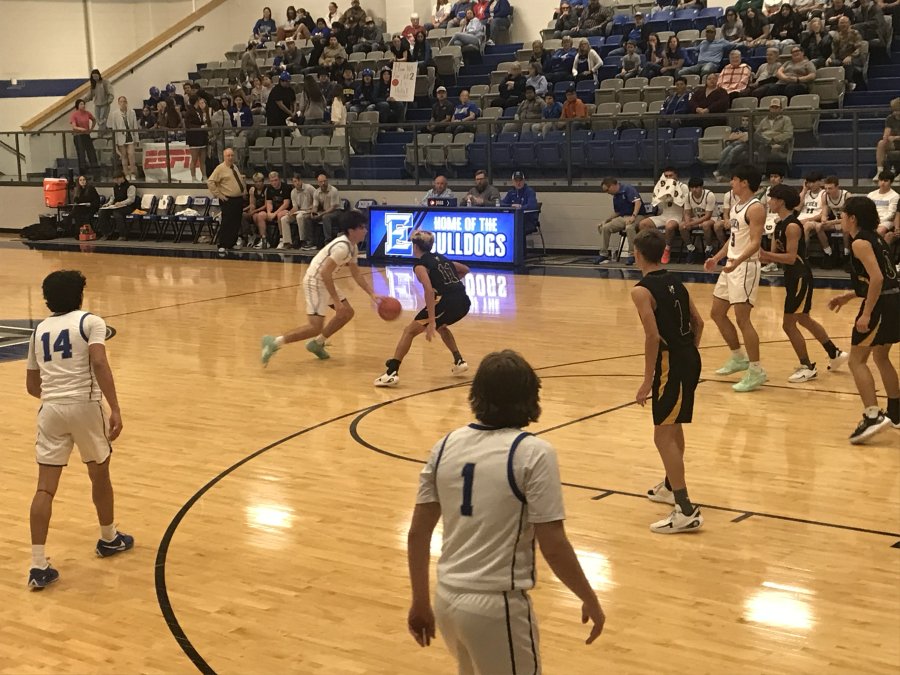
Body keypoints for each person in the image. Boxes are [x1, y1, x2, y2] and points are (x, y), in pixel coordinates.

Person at [405, 349, 606, 672]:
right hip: (496, 606)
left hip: (445, 599)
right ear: (531, 396)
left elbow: (418, 533)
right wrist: (589, 597)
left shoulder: (444, 445)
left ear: (476, 395)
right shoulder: (533, 453)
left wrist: (419, 600)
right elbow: (553, 544)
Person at [24, 270, 132, 589]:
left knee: (45, 487)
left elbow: (32, 386)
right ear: (80, 295)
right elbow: (99, 363)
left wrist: (57, 399)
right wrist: (115, 407)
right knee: (99, 474)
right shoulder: (90, 322)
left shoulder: (39, 330)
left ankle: (37, 564)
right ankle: (109, 538)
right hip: (85, 405)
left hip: (50, 409)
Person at [630, 229, 705, 533]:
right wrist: (689, 352)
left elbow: (651, 336)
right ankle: (670, 486)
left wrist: (648, 380)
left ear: (637, 254)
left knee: (662, 436)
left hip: (670, 363)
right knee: (673, 429)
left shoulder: (641, 290)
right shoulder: (678, 281)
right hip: (689, 357)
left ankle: (685, 509)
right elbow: (698, 322)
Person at [261, 210, 384, 365]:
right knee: (314, 327)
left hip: (324, 281)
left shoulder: (352, 247)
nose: (365, 231)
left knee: (347, 313)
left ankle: (317, 343)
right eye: (362, 228)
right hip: (315, 282)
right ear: (351, 230)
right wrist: (336, 301)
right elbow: (325, 273)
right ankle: (273, 342)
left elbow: (356, 274)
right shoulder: (342, 248)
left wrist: (372, 294)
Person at [757, 183, 848, 384]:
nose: (768, 201)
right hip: (791, 276)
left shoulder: (791, 226)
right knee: (804, 319)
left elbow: (790, 258)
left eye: (771, 198)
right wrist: (753, 255)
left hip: (799, 276)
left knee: (789, 324)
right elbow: (774, 256)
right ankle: (834, 353)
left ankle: (807, 366)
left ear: (780, 201)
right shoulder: (778, 224)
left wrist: (764, 254)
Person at [827, 196, 900, 442]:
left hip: (880, 304)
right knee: (881, 355)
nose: (841, 219)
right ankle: (896, 413)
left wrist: (867, 312)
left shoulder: (860, 242)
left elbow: (877, 279)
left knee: (856, 360)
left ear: (853, 218)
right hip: (894, 300)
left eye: (843, 214)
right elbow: (879, 278)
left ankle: (872, 416)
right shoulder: (877, 237)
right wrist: (849, 295)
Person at [374, 230, 471, 387]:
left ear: (415, 247)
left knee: (409, 331)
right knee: (442, 327)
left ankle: (392, 372)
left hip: (446, 301)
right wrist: (450, 284)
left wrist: (431, 320)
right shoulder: (442, 259)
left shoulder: (421, 265)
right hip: (464, 301)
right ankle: (459, 360)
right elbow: (465, 269)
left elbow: (428, 290)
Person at [703, 164, 767, 392]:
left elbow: (755, 243)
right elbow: (734, 239)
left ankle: (757, 369)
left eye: (734, 179)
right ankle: (738, 356)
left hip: (746, 267)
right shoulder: (739, 205)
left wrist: (737, 261)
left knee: (743, 320)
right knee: (717, 313)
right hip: (731, 265)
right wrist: (718, 258)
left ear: (745, 182)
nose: (731, 183)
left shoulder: (756, 208)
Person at [639, 167, 689, 264]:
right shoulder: (662, 186)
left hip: (677, 215)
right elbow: (656, 200)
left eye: (671, 176)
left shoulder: (683, 187)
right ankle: (650, 249)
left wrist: (676, 199)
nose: (668, 178)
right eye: (666, 176)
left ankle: (667, 249)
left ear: (676, 176)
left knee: (669, 226)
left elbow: (687, 205)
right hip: (664, 215)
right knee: (643, 224)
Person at [207, 148, 247, 253]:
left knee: (236, 222)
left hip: (238, 199)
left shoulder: (235, 167)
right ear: (224, 157)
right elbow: (210, 182)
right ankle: (223, 244)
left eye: (232, 155)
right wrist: (218, 195)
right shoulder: (220, 168)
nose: (230, 158)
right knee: (227, 222)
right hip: (228, 199)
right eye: (228, 156)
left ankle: (232, 242)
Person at [597, 177, 645, 264]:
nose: (607, 193)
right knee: (605, 227)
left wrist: (633, 216)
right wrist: (606, 220)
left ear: (612, 186)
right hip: (623, 217)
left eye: (607, 190)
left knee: (629, 227)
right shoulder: (615, 196)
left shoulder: (627, 188)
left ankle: (632, 255)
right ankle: (603, 254)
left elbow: (637, 202)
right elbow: (617, 212)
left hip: (638, 215)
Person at [817, 175, 852, 264]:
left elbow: (848, 217)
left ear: (837, 187)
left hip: (848, 223)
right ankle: (828, 253)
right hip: (836, 222)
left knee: (845, 228)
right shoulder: (825, 196)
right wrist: (824, 220)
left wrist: (830, 222)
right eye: (826, 188)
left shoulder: (847, 196)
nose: (827, 191)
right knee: (819, 227)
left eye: (830, 188)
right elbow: (824, 212)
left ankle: (847, 254)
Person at [252, 172, 292, 249]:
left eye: (276, 180)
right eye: (272, 181)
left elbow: (286, 204)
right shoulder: (269, 189)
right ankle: (264, 239)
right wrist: (269, 212)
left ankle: (282, 239)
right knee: (261, 215)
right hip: (273, 212)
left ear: (279, 179)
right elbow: (269, 203)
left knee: (280, 214)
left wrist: (275, 213)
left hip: (285, 211)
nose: (274, 182)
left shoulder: (286, 188)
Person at [278, 174, 317, 249]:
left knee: (299, 217)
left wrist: (314, 208)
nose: (297, 183)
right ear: (292, 182)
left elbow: (317, 198)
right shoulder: (293, 192)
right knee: (284, 218)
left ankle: (303, 240)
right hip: (300, 211)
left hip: (309, 211)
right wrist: (291, 212)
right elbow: (295, 207)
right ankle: (287, 242)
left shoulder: (309, 188)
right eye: (295, 181)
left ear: (301, 180)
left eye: (299, 180)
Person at [683, 177, 719, 260]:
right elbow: (687, 213)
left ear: (701, 187)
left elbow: (707, 216)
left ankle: (709, 248)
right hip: (698, 218)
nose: (694, 190)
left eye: (696, 187)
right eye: (692, 188)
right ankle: (691, 248)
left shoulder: (709, 195)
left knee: (705, 225)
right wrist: (688, 223)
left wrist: (692, 223)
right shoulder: (687, 196)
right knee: (682, 226)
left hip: (713, 218)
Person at [826, 16, 865, 91]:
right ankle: (841, 85)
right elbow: (835, 51)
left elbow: (858, 48)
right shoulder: (837, 36)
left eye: (845, 23)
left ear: (849, 23)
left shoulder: (855, 33)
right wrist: (830, 57)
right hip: (840, 59)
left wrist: (850, 56)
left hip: (855, 58)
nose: (843, 25)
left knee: (848, 63)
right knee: (830, 63)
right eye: (841, 23)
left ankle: (850, 82)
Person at [97, 172, 136, 240]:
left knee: (117, 213)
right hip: (116, 206)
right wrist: (108, 204)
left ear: (122, 178)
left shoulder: (130, 187)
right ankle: (106, 233)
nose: (116, 181)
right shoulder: (115, 187)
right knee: (101, 212)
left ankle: (123, 234)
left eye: (117, 179)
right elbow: (113, 198)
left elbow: (131, 199)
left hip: (128, 207)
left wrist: (121, 203)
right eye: (115, 179)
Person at [107, 96, 138, 180]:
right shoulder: (115, 114)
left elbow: (135, 125)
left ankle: (133, 173)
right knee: (123, 157)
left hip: (130, 137)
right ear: (118, 103)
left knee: (131, 155)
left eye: (124, 101)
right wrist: (115, 142)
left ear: (126, 102)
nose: (123, 103)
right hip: (120, 138)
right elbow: (114, 128)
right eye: (121, 101)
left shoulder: (132, 112)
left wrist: (136, 139)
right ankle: (126, 173)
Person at [755, 98, 794, 163]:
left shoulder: (786, 119)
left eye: (776, 107)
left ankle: (761, 171)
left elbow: (788, 134)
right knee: (748, 140)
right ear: (769, 109)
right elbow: (757, 133)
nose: (774, 109)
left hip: (776, 143)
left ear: (780, 108)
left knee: (762, 147)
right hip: (762, 142)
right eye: (772, 107)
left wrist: (774, 139)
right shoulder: (764, 120)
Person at [69, 99, 99, 181]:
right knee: (81, 154)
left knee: (91, 153)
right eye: (81, 104)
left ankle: (95, 173)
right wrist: (80, 129)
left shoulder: (87, 113)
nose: (83, 106)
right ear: (78, 106)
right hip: (78, 136)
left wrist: (91, 128)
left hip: (86, 134)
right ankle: (82, 173)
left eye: (84, 104)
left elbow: (93, 119)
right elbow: (74, 126)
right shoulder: (74, 114)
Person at [308, 174, 342, 245]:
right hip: (325, 211)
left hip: (337, 211)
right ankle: (310, 241)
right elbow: (315, 205)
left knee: (325, 217)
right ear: (318, 182)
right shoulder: (316, 192)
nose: (323, 183)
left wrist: (321, 214)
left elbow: (333, 207)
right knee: (308, 217)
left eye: (324, 181)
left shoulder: (333, 191)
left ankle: (328, 241)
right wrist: (313, 213)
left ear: (327, 181)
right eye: (321, 182)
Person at [183, 95, 210, 182]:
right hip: (194, 138)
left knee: (203, 159)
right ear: (196, 101)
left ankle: (204, 176)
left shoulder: (199, 111)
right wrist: (200, 126)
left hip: (201, 138)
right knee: (194, 159)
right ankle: (193, 177)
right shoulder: (189, 112)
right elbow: (188, 125)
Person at [875, 98, 900, 181]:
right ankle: (880, 171)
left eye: (898, 110)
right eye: (895, 110)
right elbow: (887, 131)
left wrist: (895, 137)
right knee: (881, 143)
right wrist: (886, 137)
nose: (897, 113)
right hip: (894, 143)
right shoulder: (890, 118)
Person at [798, 171, 825, 245]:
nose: (811, 185)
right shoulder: (805, 194)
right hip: (800, 219)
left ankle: (805, 254)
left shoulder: (824, 194)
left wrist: (807, 220)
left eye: (813, 182)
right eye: (809, 182)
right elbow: (797, 208)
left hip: (814, 221)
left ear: (820, 181)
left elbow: (823, 214)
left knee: (806, 227)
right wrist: (803, 190)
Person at [242, 172, 267, 247]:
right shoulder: (252, 190)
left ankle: (261, 237)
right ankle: (250, 234)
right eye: (256, 182)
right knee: (242, 215)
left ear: (263, 182)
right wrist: (248, 210)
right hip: (255, 210)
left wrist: (254, 211)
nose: (258, 184)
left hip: (263, 210)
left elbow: (266, 205)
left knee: (256, 216)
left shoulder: (266, 190)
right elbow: (252, 204)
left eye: (259, 181)